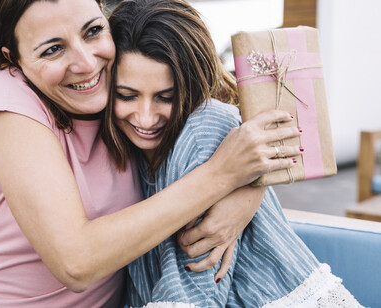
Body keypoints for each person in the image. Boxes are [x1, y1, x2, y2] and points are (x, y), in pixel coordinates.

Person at [0, 0, 302, 306]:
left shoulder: (118, 82)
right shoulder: (13, 103)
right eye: (53, 49)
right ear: (13, 58)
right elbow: (76, 263)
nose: (86, 63)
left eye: (92, 31)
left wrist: (248, 190)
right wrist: (221, 176)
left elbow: (225, 121)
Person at [105, 0, 364, 307]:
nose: (145, 118)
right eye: (126, 95)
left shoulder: (203, 129)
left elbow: (194, 294)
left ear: (193, 86)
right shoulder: (125, 144)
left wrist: (251, 186)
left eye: (166, 97)